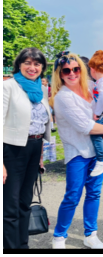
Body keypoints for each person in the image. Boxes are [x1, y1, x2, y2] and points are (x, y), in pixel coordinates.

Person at [49, 52, 103, 249]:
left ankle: (91, 234)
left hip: (97, 153)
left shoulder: (92, 87)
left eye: (76, 69)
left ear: (81, 69)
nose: (72, 73)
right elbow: (85, 126)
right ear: (60, 74)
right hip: (78, 153)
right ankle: (59, 237)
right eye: (66, 70)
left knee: (94, 194)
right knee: (72, 196)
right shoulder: (63, 97)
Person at [3, 48, 54, 249]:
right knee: (10, 205)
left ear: (42, 67)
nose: (32, 67)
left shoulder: (39, 89)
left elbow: (41, 125)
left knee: (25, 203)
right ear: (19, 65)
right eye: (28, 63)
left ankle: (22, 246)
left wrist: (40, 154)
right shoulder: (8, 86)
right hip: (12, 150)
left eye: (37, 63)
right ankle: (9, 248)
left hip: (34, 147)